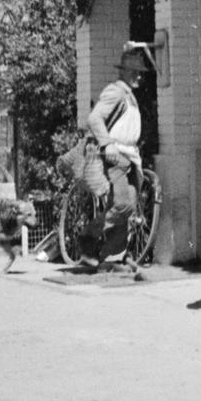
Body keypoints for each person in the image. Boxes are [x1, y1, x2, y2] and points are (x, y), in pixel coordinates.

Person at [82, 41, 151, 268]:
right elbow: (94, 118)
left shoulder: (129, 95)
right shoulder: (116, 92)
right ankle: (88, 236)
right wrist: (107, 144)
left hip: (129, 157)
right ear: (125, 72)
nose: (139, 77)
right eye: (135, 73)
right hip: (116, 155)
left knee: (128, 205)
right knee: (123, 204)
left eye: (140, 73)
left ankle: (106, 255)